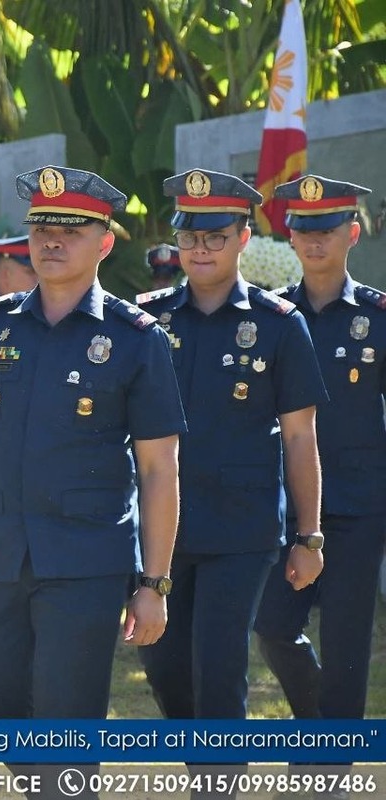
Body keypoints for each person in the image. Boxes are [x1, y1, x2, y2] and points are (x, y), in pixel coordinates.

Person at [0, 165, 185, 800]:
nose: (52, 240)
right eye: (42, 226)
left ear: (105, 240)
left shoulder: (135, 339)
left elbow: (158, 469)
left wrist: (152, 582)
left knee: (66, 727)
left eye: (72, 228)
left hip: (85, 565)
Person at [137, 169, 325, 798]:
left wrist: (309, 536)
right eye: (190, 235)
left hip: (242, 531)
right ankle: (207, 772)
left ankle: (218, 785)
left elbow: (300, 438)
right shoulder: (147, 322)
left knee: (219, 669)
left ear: (244, 237)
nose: (200, 249)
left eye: (215, 236)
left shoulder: (278, 325)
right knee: (165, 670)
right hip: (164, 533)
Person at [253, 176, 381, 792]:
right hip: (287, 509)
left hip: (359, 506)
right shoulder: (274, 317)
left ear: (351, 234)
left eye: (326, 229)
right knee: (273, 623)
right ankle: (320, 726)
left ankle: (331, 766)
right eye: (302, 230)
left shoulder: (378, 318)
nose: (313, 241)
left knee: (349, 639)